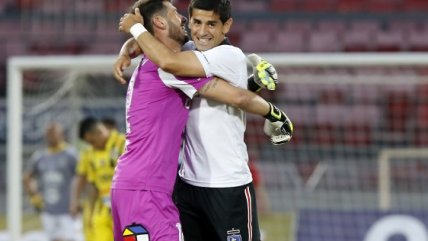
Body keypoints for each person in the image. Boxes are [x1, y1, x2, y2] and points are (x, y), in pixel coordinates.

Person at [114, 1, 293, 241]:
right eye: (186, 18)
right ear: (159, 22)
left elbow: (232, 94)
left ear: (226, 26)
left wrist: (130, 45)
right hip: (161, 188)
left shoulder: (213, 55)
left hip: (206, 184)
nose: (191, 25)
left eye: (211, 23)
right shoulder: (173, 64)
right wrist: (274, 114)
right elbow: (237, 96)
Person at [70, 117, 126, 241]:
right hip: (102, 207)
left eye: (92, 142)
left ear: (98, 132)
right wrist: (80, 204)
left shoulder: (122, 143)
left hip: (124, 205)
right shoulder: (89, 153)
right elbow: (88, 182)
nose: (91, 145)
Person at [23, 122, 78, 241]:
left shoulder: (70, 155)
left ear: (61, 135)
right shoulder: (39, 157)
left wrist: (77, 201)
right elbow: (27, 177)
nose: (50, 136)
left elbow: (82, 178)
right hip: (48, 209)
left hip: (67, 209)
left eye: (53, 133)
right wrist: (34, 196)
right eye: (48, 134)